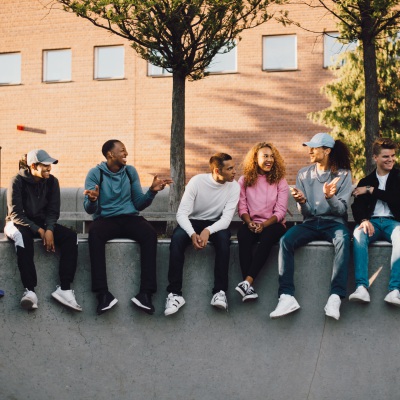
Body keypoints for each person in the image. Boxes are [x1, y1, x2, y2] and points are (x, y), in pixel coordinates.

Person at [270, 133, 352, 320]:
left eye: (315, 147)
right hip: (310, 222)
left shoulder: (343, 174)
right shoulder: (304, 174)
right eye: (310, 147)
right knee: (285, 240)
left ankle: (335, 296)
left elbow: (341, 211)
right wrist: (302, 201)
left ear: (327, 151)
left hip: (334, 223)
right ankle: (286, 296)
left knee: (344, 238)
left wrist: (330, 197)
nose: (310, 150)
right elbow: (306, 212)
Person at [83, 139, 171, 315]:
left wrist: (152, 192)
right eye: (122, 150)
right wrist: (92, 200)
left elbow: (138, 204)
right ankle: (103, 295)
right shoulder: (95, 174)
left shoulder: (130, 172)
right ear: (110, 154)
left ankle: (145, 295)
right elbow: (88, 209)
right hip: (106, 219)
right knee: (94, 234)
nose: (126, 154)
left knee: (149, 234)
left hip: (130, 217)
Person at [4, 150, 82, 311]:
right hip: (18, 222)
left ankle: (65, 289)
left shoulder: (52, 182)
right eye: (45, 166)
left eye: (50, 166)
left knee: (71, 237)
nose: (49, 169)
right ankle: (30, 291)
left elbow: (53, 212)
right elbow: (16, 214)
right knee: (22, 238)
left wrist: (50, 229)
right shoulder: (16, 181)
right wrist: (40, 231)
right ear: (33, 166)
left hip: (42, 222)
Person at [164, 153, 240, 316]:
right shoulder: (197, 182)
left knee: (223, 240)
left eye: (234, 167)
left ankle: (219, 292)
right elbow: (181, 214)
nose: (235, 172)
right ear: (217, 171)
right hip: (192, 220)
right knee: (177, 239)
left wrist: (207, 231)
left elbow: (226, 220)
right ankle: (174, 294)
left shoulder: (234, 186)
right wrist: (192, 234)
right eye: (230, 168)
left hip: (215, 223)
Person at [235, 142, 289, 302]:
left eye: (272, 156)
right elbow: (242, 208)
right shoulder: (244, 181)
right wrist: (249, 222)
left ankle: (247, 281)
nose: (270, 160)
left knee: (267, 237)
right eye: (265, 156)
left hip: (273, 224)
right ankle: (248, 289)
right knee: (243, 236)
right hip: (251, 223)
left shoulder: (280, 181)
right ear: (255, 159)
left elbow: (280, 212)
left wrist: (263, 225)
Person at [350, 138, 400, 306]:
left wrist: (372, 191)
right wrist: (363, 220)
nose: (391, 159)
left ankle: (394, 290)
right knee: (358, 234)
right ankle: (362, 287)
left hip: (393, 223)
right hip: (371, 223)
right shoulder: (365, 181)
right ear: (375, 158)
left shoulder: (398, 177)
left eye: (393, 156)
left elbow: (396, 200)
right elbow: (357, 206)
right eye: (386, 156)